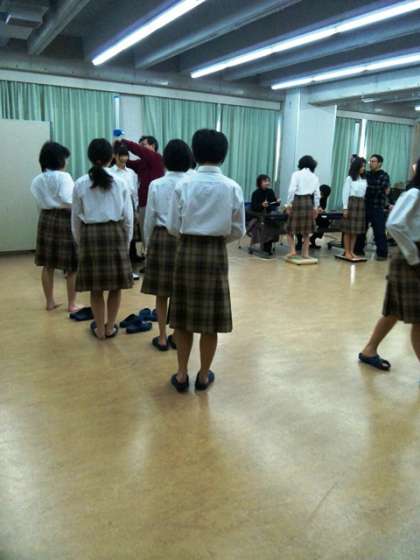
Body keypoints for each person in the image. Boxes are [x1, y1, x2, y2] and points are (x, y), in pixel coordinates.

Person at [166, 129, 245, 393]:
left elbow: (172, 226)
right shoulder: (232, 187)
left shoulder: (184, 185)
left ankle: (181, 375)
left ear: (195, 153)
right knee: (210, 321)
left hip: (187, 251)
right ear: (223, 155)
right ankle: (202, 376)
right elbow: (238, 230)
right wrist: (217, 240)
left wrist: (190, 237)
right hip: (215, 254)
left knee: (183, 319)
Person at [358, 158, 420, 372]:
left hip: (412, 258)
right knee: (418, 319)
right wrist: (414, 256)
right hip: (409, 260)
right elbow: (394, 224)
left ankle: (369, 350)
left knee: (393, 311)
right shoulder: (414, 194)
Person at [71, 139, 133, 340]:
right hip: (115, 234)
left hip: (90, 235)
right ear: (111, 157)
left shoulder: (80, 183)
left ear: (90, 157)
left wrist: (80, 242)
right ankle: (110, 327)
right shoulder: (121, 182)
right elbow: (128, 217)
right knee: (115, 286)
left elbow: (75, 218)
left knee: (95, 287)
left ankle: (99, 330)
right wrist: (126, 242)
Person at [142, 139, 193, 351]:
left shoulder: (157, 184)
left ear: (166, 160)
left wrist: (147, 245)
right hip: (186, 239)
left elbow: (149, 219)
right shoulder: (192, 183)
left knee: (161, 293)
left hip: (161, 238)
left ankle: (162, 337)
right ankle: (177, 336)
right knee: (181, 292)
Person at [31, 141, 79, 312]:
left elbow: (39, 202)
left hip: (45, 218)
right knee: (72, 265)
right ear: (59, 159)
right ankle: (72, 304)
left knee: (47, 264)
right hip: (64, 218)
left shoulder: (37, 179)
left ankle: (50, 302)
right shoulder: (64, 177)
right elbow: (69, 200)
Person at [123, 135, 164, 253]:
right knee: (144, 235)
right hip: (143, 203)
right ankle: (147, 258)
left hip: (156, 203)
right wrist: (117, 152)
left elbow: (140, 151)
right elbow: (127, 163)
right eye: (140, 145)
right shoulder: (141, 163)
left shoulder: (157, 158)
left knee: (154, 235)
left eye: (143, 145)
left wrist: (123, 141)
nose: (141, 148)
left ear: (153, 145)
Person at [110, 141, 140, 280]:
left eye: (126, 156)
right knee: (117, 238)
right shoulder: (110, 172)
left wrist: (136, 209)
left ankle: (129, 269)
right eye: (121, 156)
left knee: (130, 238)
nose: (124, 159)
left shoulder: (132, 173)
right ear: (115, 156)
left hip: (130, 206)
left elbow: (135, 193)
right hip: (115, 207)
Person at [354, 154, 390, 260]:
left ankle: (382, 254)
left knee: (379, 231)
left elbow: (383, 189)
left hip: (378, 207)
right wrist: (374, 187)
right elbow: (362, 187)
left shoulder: (384, 175)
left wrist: (369, 187)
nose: (371, 163)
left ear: (379, 163)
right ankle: (358, 250)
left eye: (373, 161)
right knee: (361, 230)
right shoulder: (366, 174)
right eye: (370, 161)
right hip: (364, 206)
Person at [286, 155, 321, 258]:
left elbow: (291, 190)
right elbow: (317, 194)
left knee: (289, 229)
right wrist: (316, 208)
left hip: (297, 201)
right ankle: (305, 254)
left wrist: (288, 204)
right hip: (308, 202)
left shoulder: (296, 174)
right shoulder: (314, 177)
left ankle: (293, 251)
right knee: (307, 231)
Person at [341, 157, 368, 261]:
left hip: (360, 204)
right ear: (356, 167)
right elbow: (345, 193)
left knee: (355, 231)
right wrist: (345, 208)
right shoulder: (349, 178)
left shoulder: (364, 179)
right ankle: (347, 251)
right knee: (348, 230)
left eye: (364, 166)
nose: (363, 168)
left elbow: (364, 193)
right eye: (362, 166)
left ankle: (352, 251)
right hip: (351, 203)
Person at [250, 174, 280, 256]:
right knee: (267, 225)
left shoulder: (270, 191)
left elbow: (274, 203)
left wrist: (278, 202)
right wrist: (262, 205)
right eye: (265, 181)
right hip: (258, 216)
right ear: (259, 183)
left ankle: (267, 246)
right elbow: (254, 207)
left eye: (268, 181)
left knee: (275, 223)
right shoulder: (255, 193)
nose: (267, 183)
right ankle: (266, 248)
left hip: (268, 215)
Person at [296, 184, 331, 250]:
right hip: (306, 215)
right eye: (321, 193)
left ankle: (313, 238)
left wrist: (321, 210)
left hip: (315, 216)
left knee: (326, 223)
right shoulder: (311, 195)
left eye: (323, 195)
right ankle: (299, 242)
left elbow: (322, 207)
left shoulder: (324, 198)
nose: (322, 196)